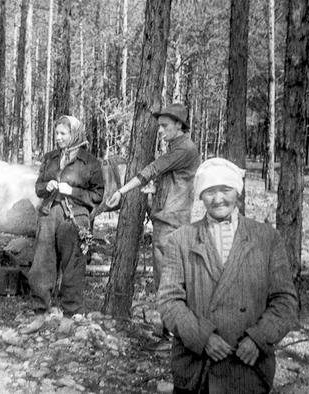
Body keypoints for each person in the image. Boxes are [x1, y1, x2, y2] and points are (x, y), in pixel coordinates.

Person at [158, 158, 298, 394]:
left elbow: (285, 301)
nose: (218, 198)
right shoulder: (181, 239)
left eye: (226, 190)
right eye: (209, 191)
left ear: (238, 193)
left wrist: (258, 339)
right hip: (197, 371)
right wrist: (203, 338)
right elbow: (169, 301)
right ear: (200, 196)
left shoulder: (266, 238)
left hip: (248, 368)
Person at [22, 115, 104, 334]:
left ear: (74, 134)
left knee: (73, 267)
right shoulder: (50, 158)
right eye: (56, 133)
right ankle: (40, 313)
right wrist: (46, 186)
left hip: (75, 218)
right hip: (49, 214)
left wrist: (73, 191)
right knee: (41, 265)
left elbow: (97, 195)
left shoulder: (91, 162)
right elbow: (38, 188)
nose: (58, 138)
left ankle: (68, 316)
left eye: (63, 134)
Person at [106, 103, 201, 291]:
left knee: (169, 278)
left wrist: (120, 191)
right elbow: (175, 177)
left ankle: (172, 317)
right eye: (159, 126)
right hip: (167, 218)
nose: (160, 130)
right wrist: (156, 188)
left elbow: (152, 169)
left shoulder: (184, 149)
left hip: (172, 222)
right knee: (165, 275)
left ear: (179, 125)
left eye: (165, 126)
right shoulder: (176, 148)